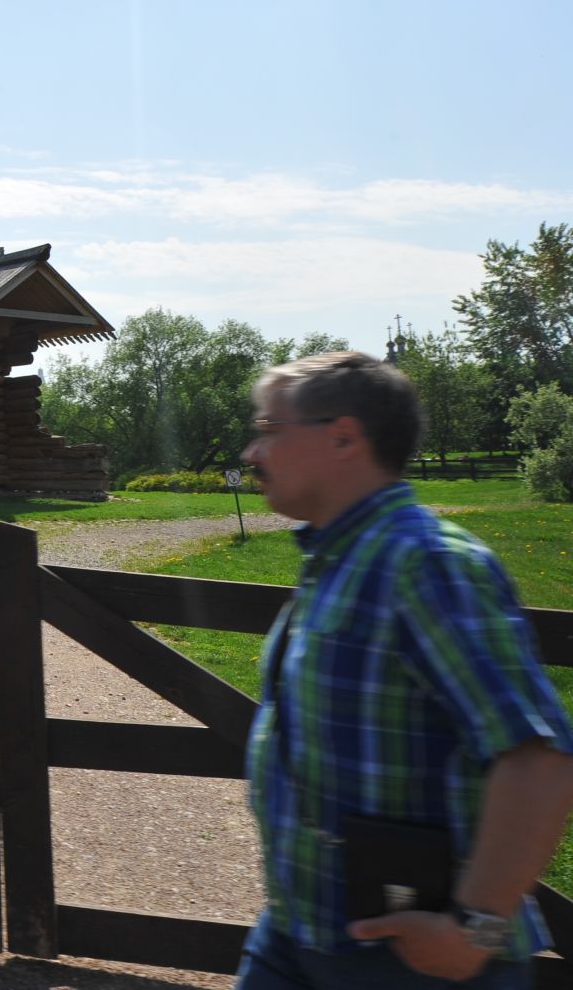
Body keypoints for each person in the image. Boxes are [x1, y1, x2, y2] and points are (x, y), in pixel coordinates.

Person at [235, 350, 573, 989]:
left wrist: (477, 929)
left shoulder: (428, 564)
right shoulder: (340, 557)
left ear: (343, 437)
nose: (254, 453)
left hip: (411, 960)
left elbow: (538, 758)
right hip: (298, 930)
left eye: (270, 431)